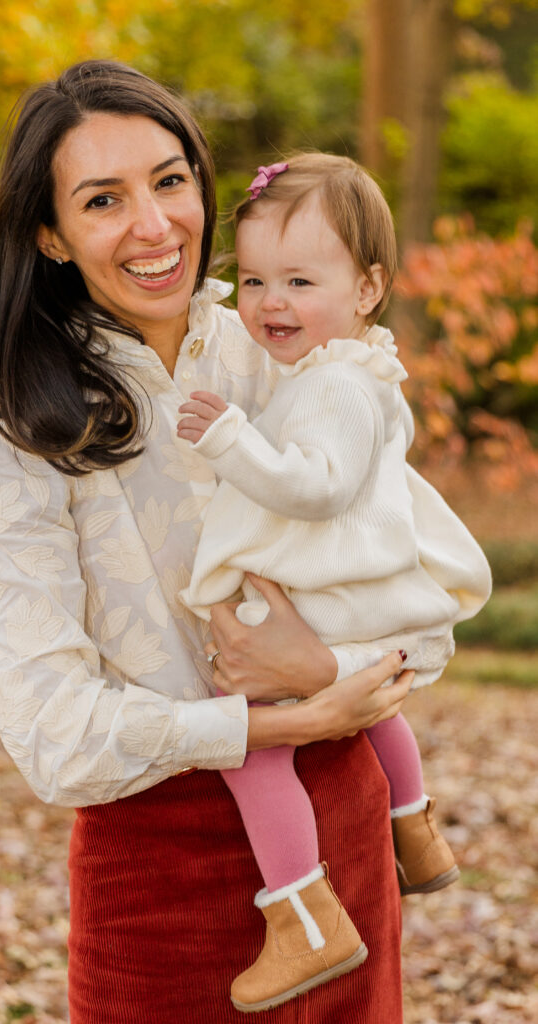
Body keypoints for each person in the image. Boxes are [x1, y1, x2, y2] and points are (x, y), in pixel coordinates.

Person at [0, 60, 416, 1024]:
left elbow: (420, 587)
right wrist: (268, 724)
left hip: (344, 835)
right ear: (51, 233)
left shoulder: (284, 339)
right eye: (102, 200)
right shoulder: (17, 422)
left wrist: (323, 666)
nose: (154, 225)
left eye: (169, 181)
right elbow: (50, 734)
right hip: (155, 874)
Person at [178, 154, 492, 1012]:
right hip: (348, 598)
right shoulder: (350, 369)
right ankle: (415, 831)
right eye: (253, 278)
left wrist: (230, 443)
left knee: (251, 739)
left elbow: (316, 487)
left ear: (366, 289)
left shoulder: (337, 389)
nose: (271, 301)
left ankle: (301, 919)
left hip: (324, 596)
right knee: (372, 704)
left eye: (300, 280)